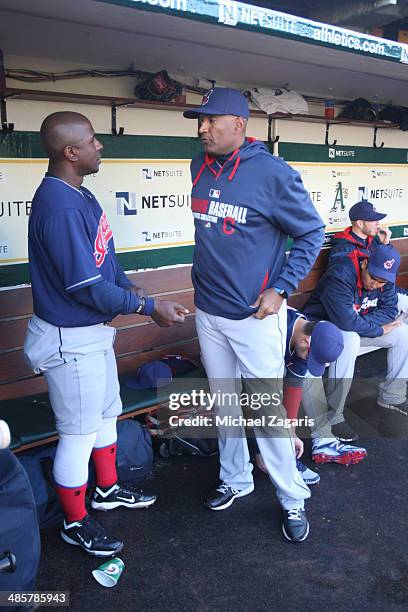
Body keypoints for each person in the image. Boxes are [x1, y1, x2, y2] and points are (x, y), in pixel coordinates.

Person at [24, 111, 189, 558]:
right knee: (77, 432)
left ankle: (107, 490)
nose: (100, 146)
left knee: (104, 415)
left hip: (91, 333)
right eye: (93, 140)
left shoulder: (81, 195)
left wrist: (129, 285)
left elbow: (105, 264)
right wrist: (147, 306)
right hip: (69, 337)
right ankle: (74, 523)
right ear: (70, 152)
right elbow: (86, 287)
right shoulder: (57, 206)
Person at [183, 87, 325, 542]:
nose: (202, 128)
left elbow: (311, 233)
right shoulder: (197, 165)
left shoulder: (272, 173)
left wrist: (282, 289)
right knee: (225, 403)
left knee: (265, 411)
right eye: (199, 121)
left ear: (239, 124)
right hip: (209, 311)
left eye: (210, 120)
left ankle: (291, 496)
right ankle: (236, 477)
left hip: (254, 317)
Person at [303, 243, 408, 443]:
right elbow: (345, 321)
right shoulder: (341, 273)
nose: (376, 285)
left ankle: (392, 396)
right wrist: (376, 329)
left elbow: (388, 310)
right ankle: (334, 416)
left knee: (403, 334)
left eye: (382, 282)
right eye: (374, 278)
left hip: (358, 324)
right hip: (321, 328)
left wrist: (364, 323)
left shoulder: (385, 277)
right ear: (365, 263)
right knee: (349, 338)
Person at [252, 307, 367, 480]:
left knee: (306, 373)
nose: (308, 359)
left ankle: (322, 440)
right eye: (310, 355)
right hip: (235, 370)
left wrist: (291, 434)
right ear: (306, 341)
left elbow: (293, 391)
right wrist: (260, 448)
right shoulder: (271, 333)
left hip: (264, 369)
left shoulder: (303, 335)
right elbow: (259, 399)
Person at [330, 199, 408, 317]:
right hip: (359, 299)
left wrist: (386, 245)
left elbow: (388, 272)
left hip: (378, 291)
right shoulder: (343, 247)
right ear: (360, 223)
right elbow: (347, 279)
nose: (378, 223)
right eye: (373, 220)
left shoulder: (375, 241)